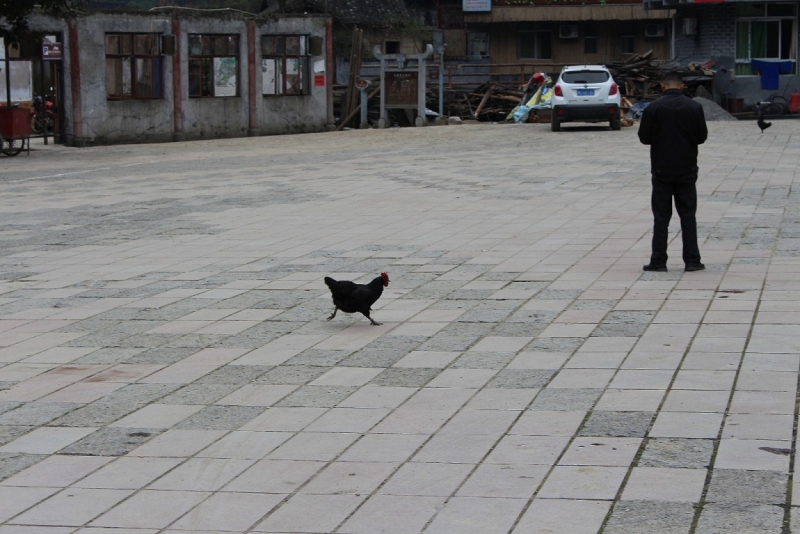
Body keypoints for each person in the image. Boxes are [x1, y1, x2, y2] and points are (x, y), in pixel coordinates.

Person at [638, 71, 708, 272]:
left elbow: (644, 138)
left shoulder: (653, 108)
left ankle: (658, 261)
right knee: (688, 215)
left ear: (662, 86)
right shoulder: (695, 107)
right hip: (687, 168)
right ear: (682, 86)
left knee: (661, 217)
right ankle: (692, 260)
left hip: (661, 169)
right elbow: (701, 137)